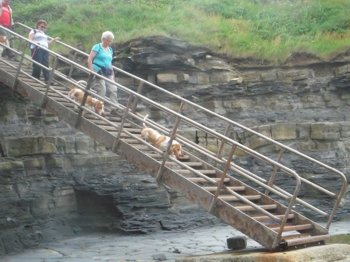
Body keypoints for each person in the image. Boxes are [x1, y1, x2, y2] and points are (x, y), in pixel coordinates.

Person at [87, 31, 118, 112]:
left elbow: (110, 62)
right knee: (102, 90)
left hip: (108, 71)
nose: (109, 42)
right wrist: (91, 71)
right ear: (103, 39)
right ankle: (98, 108)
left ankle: (114, 108)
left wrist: (113, 74)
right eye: (108, 41)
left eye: (110, 41)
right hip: (98, 70)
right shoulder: (97, 47)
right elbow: (90, 59)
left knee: (113, 89)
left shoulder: (110, 49)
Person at [28, 19, 60, 85]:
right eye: (42, 26)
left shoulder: (43, 34)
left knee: (46, 64)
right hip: (37, 48)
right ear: (38, 25)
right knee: (38, 63)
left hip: (45, 49)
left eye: (44, 27)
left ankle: (47, 79)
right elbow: (30, 39)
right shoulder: (34, 31)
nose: (43, 28)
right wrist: (35, 43)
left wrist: (54, 39)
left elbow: (47, 42)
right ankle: (35, 77)